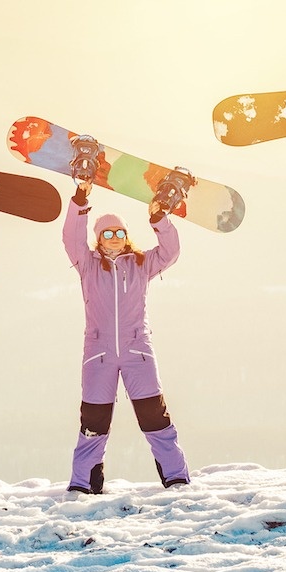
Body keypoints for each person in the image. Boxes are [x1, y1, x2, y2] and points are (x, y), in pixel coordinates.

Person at [62, 182, 189, 494]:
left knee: (155, 419)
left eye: (119, 233)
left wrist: (159, 219)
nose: (114, 238)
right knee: (94, 422)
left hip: (138, 353)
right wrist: (80, 200)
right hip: (98, 354)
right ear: (98, 238)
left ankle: (176, 478)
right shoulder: (88, 264)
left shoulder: (141, 263)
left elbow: (171, 251)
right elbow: (70, 238)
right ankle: (84, 483)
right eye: (107, 233)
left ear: (126, 236)